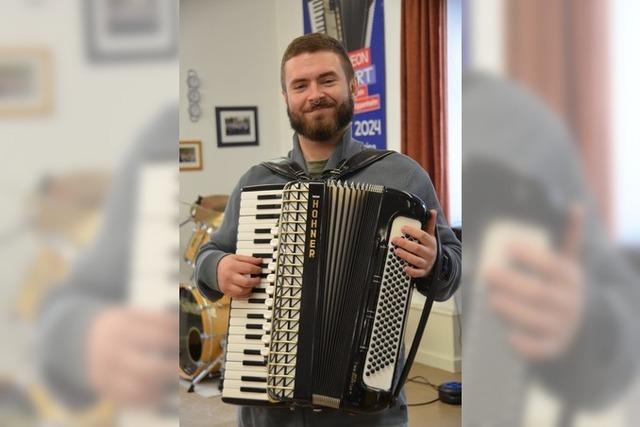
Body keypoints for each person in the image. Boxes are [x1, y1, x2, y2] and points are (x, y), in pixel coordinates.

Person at [195, 33, 461, 427]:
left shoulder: (403, 176)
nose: (315, 94)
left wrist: (436, 260)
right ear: (285, 97)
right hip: (269, 409)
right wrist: (217, 268)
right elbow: (207, 256)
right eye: (300, 85)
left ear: (352, 86)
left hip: (366, 411)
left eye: (327, 80)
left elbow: (451, 271)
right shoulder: (257, 183)